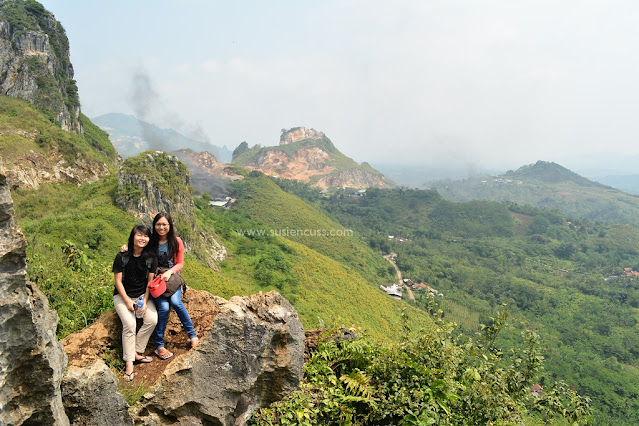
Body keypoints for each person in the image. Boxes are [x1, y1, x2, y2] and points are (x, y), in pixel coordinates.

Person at [112, 225, 158, 381]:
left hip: (141, 296)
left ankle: (137, 352)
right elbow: (118, 282)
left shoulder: (151, 257)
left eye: (145, 236)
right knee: (130, 325)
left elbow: (149, 284)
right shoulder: (122, 256)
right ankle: (129, 365)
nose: (142, 238)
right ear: (132, 237)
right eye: (139, 235)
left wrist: (144, 302)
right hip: (122, 296)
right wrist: (127, 302)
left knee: (152, 320)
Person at [151, 212, 199, 360]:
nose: (161, 227)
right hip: (157, 280)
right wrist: (126, 248)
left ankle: (192, 335)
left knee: (176, 302)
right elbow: (137, 248)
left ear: (170, 225)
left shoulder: (176, 241)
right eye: (158, 224)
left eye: (164, 224)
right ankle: (159, 344)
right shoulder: (151, 241)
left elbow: (180, 263)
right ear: (154, 226)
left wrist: (169, 272)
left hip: (172, 278)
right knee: (164, 308)